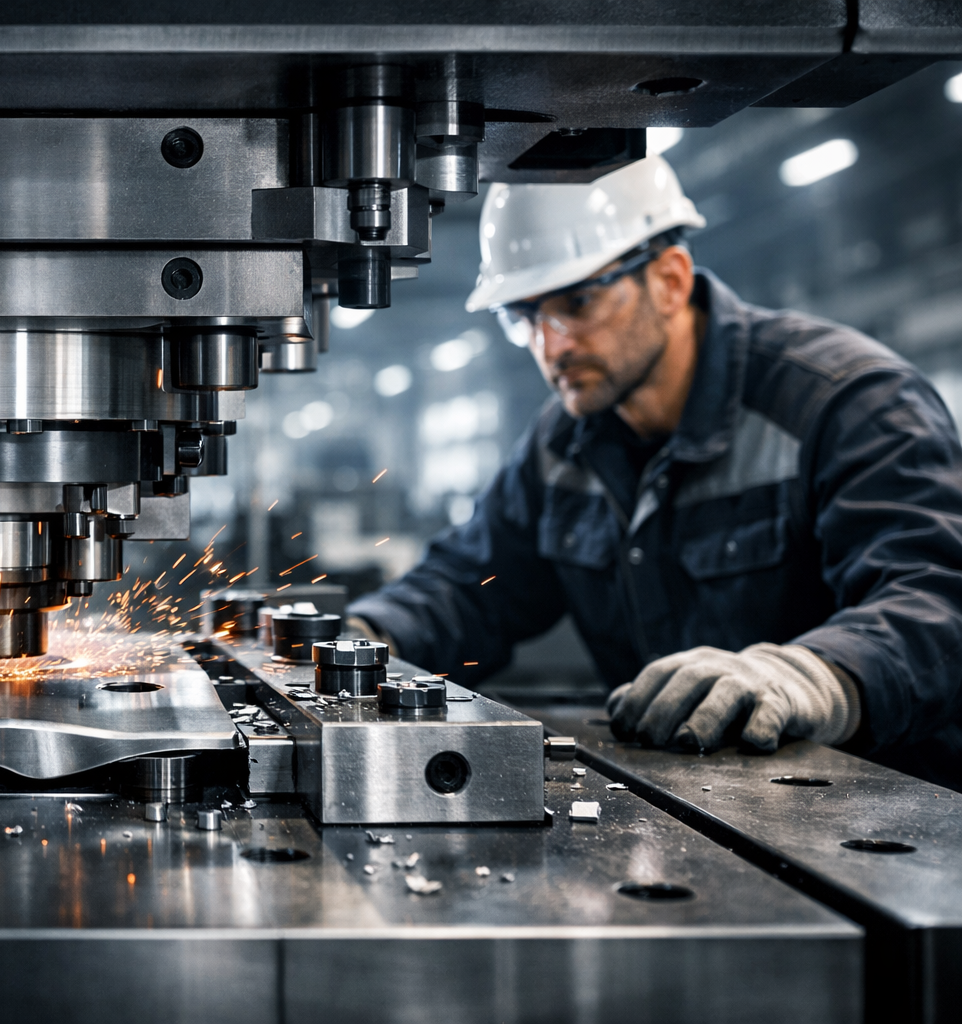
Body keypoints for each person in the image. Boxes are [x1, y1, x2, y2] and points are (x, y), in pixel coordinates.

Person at [347, 155, 962, 790]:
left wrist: (809, 677)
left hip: (888, 817)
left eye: (578, 301)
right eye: (524, 316)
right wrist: (366, 636)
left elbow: (937, 601)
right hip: (702, 805)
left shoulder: (846, 403)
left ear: (669, 280)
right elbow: (472, 583)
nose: (550, 345)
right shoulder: (563, 445)